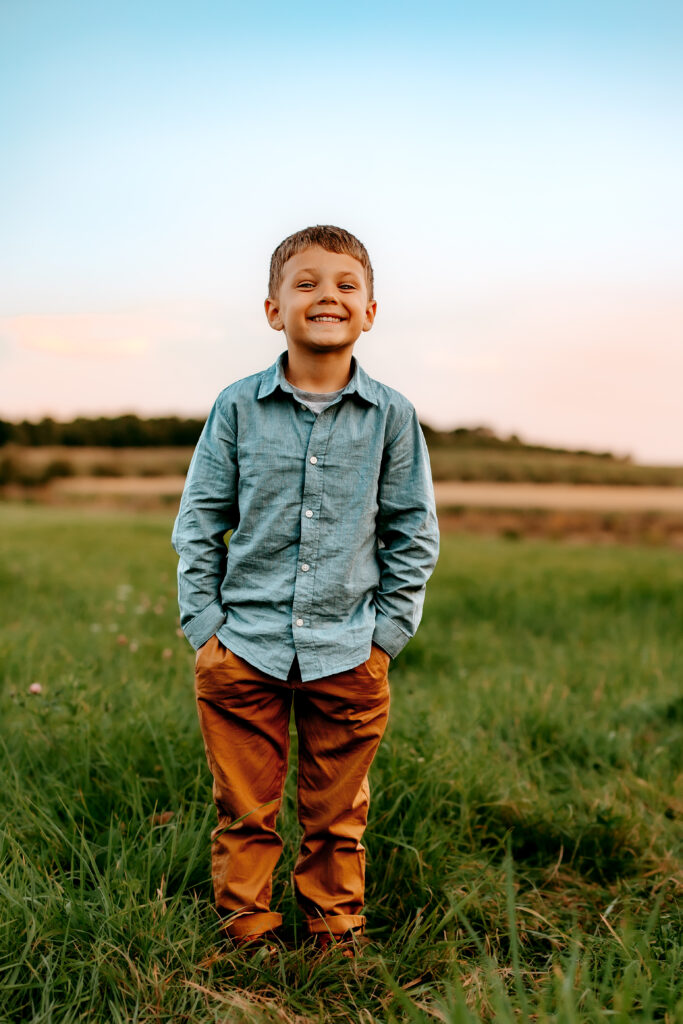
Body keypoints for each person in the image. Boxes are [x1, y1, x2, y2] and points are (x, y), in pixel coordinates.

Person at [172, 224, 439, 951]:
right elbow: (200, 518)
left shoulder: (391, 416)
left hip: (349, 650)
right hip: (242, 647)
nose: (328, 296)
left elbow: (412, 532)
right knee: (244, 808)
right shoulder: (237, 407)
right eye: (307, 283)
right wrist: (205, 627)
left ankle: (333, 932)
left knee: (337, 813)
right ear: (272, 309)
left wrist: (385, 636)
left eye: (347, 285)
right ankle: (247, 930)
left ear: (370, 312)